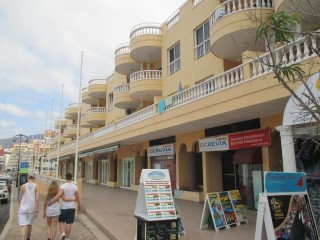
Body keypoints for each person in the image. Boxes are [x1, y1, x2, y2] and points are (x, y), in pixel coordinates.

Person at [49, 173, 80, 240]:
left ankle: (63, 233)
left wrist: (51, 202)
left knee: (61, 221)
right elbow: (77, 197)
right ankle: (67, 238)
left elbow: (58, 195)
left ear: (65, 178)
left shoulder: (63, 186)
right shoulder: (75, 187)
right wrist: (79, 205)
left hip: (64, 207)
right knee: (69, 223)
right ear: (71, 178)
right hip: (72, 207)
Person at [18, 171, 39, 240]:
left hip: (23, 208)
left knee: (23, 225)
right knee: (29, 225)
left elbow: (20, 198)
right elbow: (37, 199)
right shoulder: (36, 187)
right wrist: (37, 211)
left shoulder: (23, 186)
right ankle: (28, 238)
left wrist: (20, 205)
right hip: (31, 208)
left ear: (28, 177)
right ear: (34, 178)